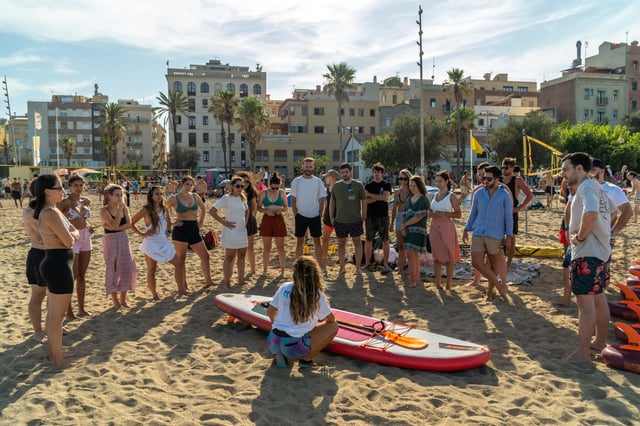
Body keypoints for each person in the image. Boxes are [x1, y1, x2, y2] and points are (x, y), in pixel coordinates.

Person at [561, 152, 612, 363]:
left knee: (585, 305)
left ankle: (582, 353)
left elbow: (591, 214)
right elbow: (613, 211)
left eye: (566, 169)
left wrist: (579, 237)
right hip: (599, 251)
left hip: (588, 253)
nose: (563, 175)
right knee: (598, 299)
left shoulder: (586, 187)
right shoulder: (596, 186)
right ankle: (600, 341)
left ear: (579, 168)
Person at [33, 174, 79, 368]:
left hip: (56, 262)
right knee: (56, 317)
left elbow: (72, 231)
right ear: (47, 191)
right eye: (59, 187)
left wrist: (72, 233)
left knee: (53, 315)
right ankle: (58, 360)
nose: (63, 191)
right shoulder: (50, 213)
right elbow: (70, 239)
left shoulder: (52, 210)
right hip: (58, 265)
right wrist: (73, 234)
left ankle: (54, 355)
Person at [267, 255, 338, 368]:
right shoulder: (315, 294)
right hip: (293, 347)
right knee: (333, 326)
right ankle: (306, 360)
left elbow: (270, 311)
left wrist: (281, 325)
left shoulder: (284, 287)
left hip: (273, 340)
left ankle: (280, 354)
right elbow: (331, 319)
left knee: (290, 333)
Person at [463, 166, 512, 302]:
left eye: (489, 178)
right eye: (483, 178)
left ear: (497, 179)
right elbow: (473, 213)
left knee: (492, 264)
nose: (485, 181)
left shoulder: (504, 195)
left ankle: (490, 293)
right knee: (476, 262)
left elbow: (509, 217)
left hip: (495, 234)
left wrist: (509, 236)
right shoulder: (479, 194)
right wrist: (466, 229)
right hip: (478, 232)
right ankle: (500, 287)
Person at [130, 185, 187, 299]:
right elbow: (131, 223)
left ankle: (181, 290)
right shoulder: (146, 210)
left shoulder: (165, 208)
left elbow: (168, 223)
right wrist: (142, 234)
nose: (159, 196)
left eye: (161, 194)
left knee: (179, 264)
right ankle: (154, 294)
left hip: (164, 242)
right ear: (151, 196)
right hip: (151, 243)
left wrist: (169, 230)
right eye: (157, 194)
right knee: (152, 269)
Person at [167, 176, 214, 289]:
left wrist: (201, 223)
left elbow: (203, 209)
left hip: (194, 228)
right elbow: (164, 210)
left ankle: (208, 281)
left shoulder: (195, 196)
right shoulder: (174, 198)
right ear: (181, 184)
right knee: (181, 259)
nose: (189, 187)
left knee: (205, 256)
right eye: (187, 184)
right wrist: (172, 223)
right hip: (181, 229)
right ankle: (184, 284)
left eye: (191, 185)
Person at [57, 174, 94, 319]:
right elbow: (56, 219)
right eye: (75, 185)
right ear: (69, 187)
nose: (78, 188)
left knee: (82, 276)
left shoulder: (86, 200)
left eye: (80, 185)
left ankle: (81, 309)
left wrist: (89, 226)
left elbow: (83, 219)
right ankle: (69, 311)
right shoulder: (66, 202)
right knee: (71, 277)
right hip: (73, 238)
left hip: (86, 237)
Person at [100, 184, 137, 309]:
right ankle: (115, 300)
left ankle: (123, 299)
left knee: (127, 266)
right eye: (116, 195)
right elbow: (113, 225)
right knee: (113, 267)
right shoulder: (104, 210)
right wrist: (120, 212)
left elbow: (129, 225)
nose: (120, 198)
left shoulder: (124, 208)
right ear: (109, 196)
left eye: (121, 195)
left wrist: (118, 227)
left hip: (123, 239)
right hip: (110, 240)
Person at [209, 175, 249, 289]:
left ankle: (241, 280)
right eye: (237, 186)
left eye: (242, 186)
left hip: (242, 231)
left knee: (242, 256)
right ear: (231, 186)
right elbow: (212, 211)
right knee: (230, 256)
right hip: (231, 231)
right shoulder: (226, 198)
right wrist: (224, 222)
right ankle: (227, 281)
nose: (240, 188)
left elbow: (247, 210)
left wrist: (245, 222)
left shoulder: (242, 198)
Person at [330, 163, 367, 275]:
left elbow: (364, 201)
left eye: (346, 172)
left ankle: (358, 268)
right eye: (342, 172)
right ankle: (342, 267)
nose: (344, 174)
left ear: (350, 172)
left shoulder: (358, 185)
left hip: (355, 220)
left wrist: (364, 216)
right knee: (341, 244)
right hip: (340, 220)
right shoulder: (336, 186)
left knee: (357, 243)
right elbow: (332, 202)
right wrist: (331, 217)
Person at [23, 179, 47, 343]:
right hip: (40, 254)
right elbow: (43, 237)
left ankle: (52, 326)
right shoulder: (31, 211)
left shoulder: (50, 210)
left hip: (52, 254)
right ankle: (37, 332)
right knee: (38, 295)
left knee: (55, 295)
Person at [429, 171, 461, 290]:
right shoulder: (434, 195)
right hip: (434, 225)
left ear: (447, 181)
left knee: (448, 256)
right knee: (436, 256)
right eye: (436, 181)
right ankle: (438, 283)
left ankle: (448, 284)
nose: (438, 183)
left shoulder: (451, 196)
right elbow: (430, 210)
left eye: (440, 181)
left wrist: (445, 214)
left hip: (446, 225)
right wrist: (430, 214)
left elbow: (459, 214)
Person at [290, 157, 326, 263]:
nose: (308, 169)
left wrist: (320, 213)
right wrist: (296, 214)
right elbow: (293, 200)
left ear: (313, 167)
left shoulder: (318, 181)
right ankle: (298, 266)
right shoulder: (297, 181)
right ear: (303, 167)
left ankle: (319, 266)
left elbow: (321, 199)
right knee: (299, 242)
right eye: (306, 166)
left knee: (317, 242)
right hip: (300, 215)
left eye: (310, 167)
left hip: (315, 216)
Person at [500, 157, 533, 269]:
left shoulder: (517, 180)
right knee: (499, 237)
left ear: (512, 168)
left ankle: (508, 263)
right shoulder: (498, 179)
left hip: (511, 211)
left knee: (511, 238)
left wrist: (519, 208)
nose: (504, 170)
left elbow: (529, 195)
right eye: (502, 167)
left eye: (506, 168)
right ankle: (500, 261)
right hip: (499, 212)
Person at [591, 158, 632, 244]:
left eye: (593, 170)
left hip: (602, 237)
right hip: (581, 235)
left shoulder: (613, 189)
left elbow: (627, 211)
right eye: (587, 170)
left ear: (602, 171)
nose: (589, 173)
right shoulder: (581, 187)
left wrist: (613, 232)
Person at [401, 175, 430, 288]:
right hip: (408, 230)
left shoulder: (423, 199)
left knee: (411, 254)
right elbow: (404, 213)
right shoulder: (409, 199)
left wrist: (405, 224)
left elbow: (419, 216)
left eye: (414, 185)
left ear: (419, 186)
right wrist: (403, 226)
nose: (412, 188)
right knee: (413, 255)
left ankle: (413, 279)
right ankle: (415, 278)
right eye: (410, 186)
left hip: (417, 230)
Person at [363, 162, 392, 274]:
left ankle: (385, 263)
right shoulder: (368, 185)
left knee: (385, 240)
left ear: (382, 173)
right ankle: (367, 263)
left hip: (383, 216)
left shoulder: (386, 184)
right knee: (368, 240)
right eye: (375, 172)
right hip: (370, 216)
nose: (377, 174)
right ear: (373, 173)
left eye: (379, 172)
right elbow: (366, 201)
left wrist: (371, 195)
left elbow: (385, 198)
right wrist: (378, 198)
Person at [257, 172, 288, 276]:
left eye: (276, 188)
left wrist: (281, 210)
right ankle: (265, 270)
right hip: (267, 219)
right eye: (273, 188)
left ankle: (283, 270)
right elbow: (259, 207)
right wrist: (266, 210)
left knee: (280, 247)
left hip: (278, 218)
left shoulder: (282, 193)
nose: (275, 190)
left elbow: (286, 207)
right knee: (267, 247)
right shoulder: (263, 193)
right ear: (269, 185)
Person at [237, 171, 258, 276]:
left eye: (247, 181)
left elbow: (254, 208)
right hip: (237, 221)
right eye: (242, 181)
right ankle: (240, 270)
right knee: (238, 247)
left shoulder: (252, 193)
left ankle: (252, 270)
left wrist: (250, 218)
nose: (245, 184)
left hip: (249, 221)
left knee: (250, 246)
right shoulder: (234, 194)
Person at [391, 169, 412, 274]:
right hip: (399, 217)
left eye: (405, 178)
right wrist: (391, 223)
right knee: (400, 245)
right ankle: (401, 268)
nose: (402, 181)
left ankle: (409, 266)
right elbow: (394, 208)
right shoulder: (397, 192)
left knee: (409, 244)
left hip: (409, 217)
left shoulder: (412, 191)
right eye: (400, 178)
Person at [320, 169, 340, 270]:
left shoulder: (340, 188)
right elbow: (327, 203)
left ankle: (341, 265)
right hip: (328, 217)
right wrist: (324, 214)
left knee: (341, 241)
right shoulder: (328, 189)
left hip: (339, 217)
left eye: (326, 177)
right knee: (325, 240)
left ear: (331, 177)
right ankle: (323, 263)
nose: (325, 179)